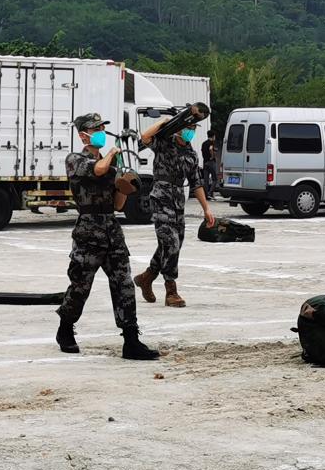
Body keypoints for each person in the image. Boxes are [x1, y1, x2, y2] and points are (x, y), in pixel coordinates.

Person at [55, 112, 159, 360]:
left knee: (124, 284)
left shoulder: (111, 166)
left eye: (102, 128)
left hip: (112, 230)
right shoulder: (75, 160)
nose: (101, 132)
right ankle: (65, 329)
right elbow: (98, 169)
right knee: (80, 286)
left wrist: (125, 186)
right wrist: (114, 153)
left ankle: (131, 340)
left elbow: (118, 205)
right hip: (88, 232)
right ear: (83, 135)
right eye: (96, 129)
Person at [133, 103, 215, 308]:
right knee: (171, 243)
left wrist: (206, 208)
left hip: (178, 201)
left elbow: (196, 183)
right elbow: (145, 137)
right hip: (161, 198)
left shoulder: (191, 154)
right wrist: (164, 122)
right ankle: (171, 290)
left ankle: (147, 277)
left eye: (193, 129)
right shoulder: (163, 142)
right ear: (179, 128)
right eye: (188, 128)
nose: (190, 132)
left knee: (170, 245)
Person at [201, 130, 219, 199]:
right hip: (211, 162)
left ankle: (206, 195)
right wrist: (212, 156)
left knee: (206, 180)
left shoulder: (204, 143)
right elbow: (211, 149)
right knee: (215, 179)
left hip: (205, 162)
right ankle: (210, 193)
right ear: (213, 136)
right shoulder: (211, 143)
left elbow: (202, 151)